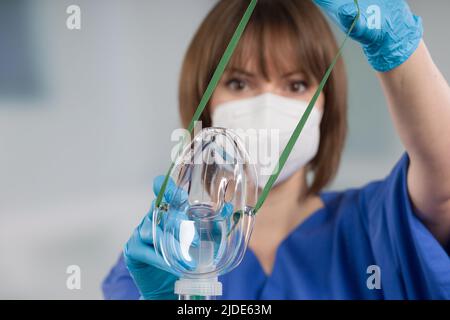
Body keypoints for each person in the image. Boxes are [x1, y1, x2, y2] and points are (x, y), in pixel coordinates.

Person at [102, 0, 450, 299]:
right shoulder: (160, 258)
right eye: (239, 82)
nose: (268, 104)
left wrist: (398, 43)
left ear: (326, 108)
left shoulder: (376, 228)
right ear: (204, 104)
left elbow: (444, 176)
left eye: (296, 84)